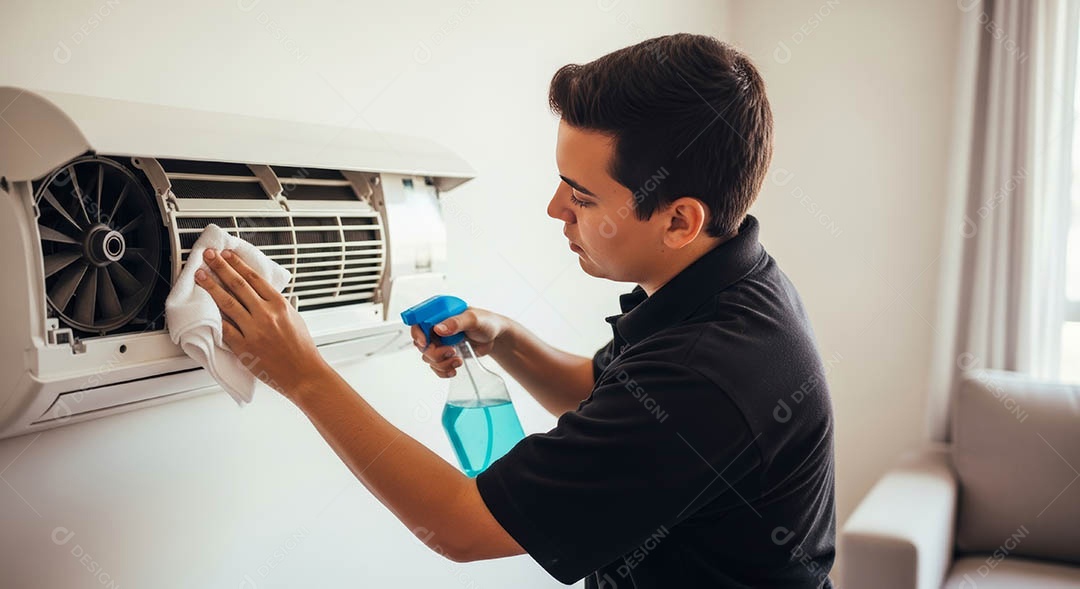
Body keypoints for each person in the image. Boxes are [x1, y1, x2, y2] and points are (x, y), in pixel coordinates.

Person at [196, 33, 836, 588]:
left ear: (678, 220)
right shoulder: (731, 284)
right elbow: (609, 394)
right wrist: (504, 337)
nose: (556, 209)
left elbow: (461, 524)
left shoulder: (708, 377)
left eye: (582, 196)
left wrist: (303, 375)